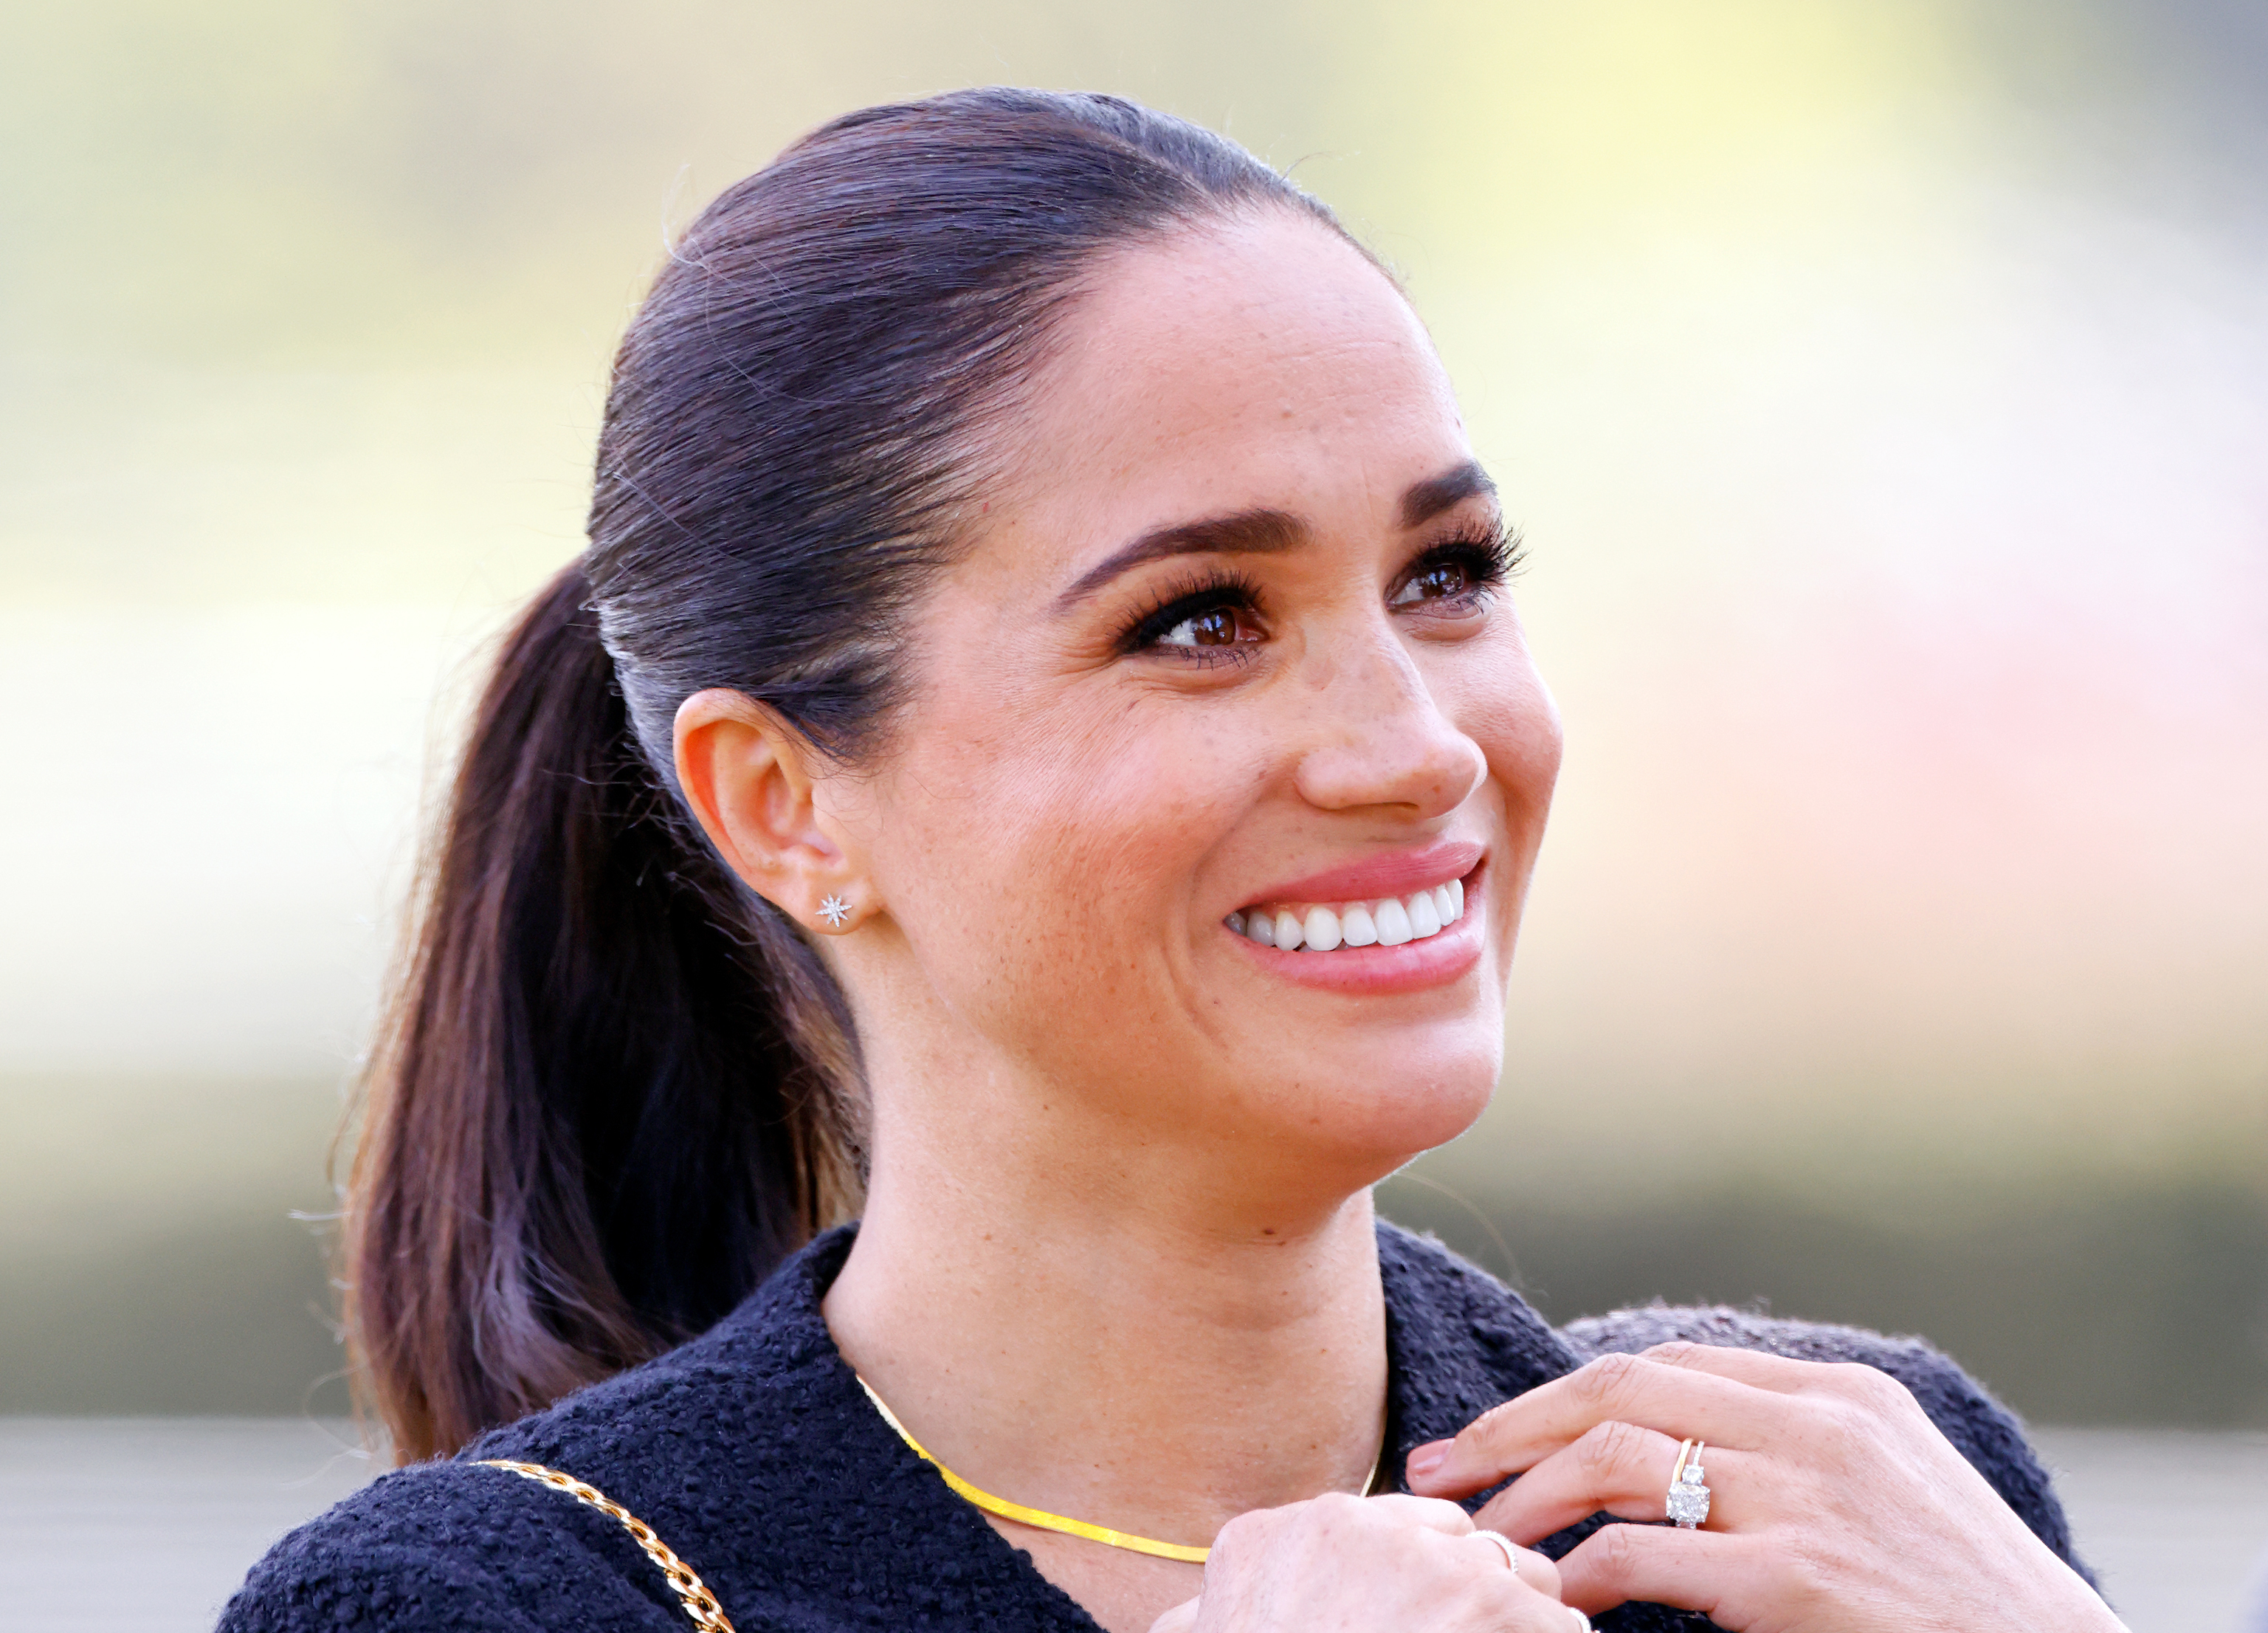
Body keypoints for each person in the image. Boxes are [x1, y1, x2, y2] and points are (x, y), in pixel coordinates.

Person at [220, 89, 2122, 1633]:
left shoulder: (1845, 1507)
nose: (1418, 744)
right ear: (785, 802)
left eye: (1445, 577)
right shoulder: (501, 1607)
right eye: (1203, 618)